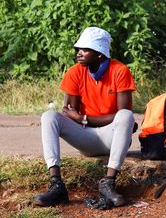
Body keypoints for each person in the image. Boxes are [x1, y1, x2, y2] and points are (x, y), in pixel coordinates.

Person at [33, 27, 136, 207]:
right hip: (85, 138)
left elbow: (122, 115)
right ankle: (56, 184)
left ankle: (109, 183)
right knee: (49, 116)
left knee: (127, 116)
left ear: (100, 53)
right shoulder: (75, 72)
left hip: (113, 139)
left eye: (85, 49)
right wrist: (81, 120)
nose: (79, 53)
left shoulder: (119, 71)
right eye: (79, 49)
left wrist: (84, 119)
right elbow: (68, 112)